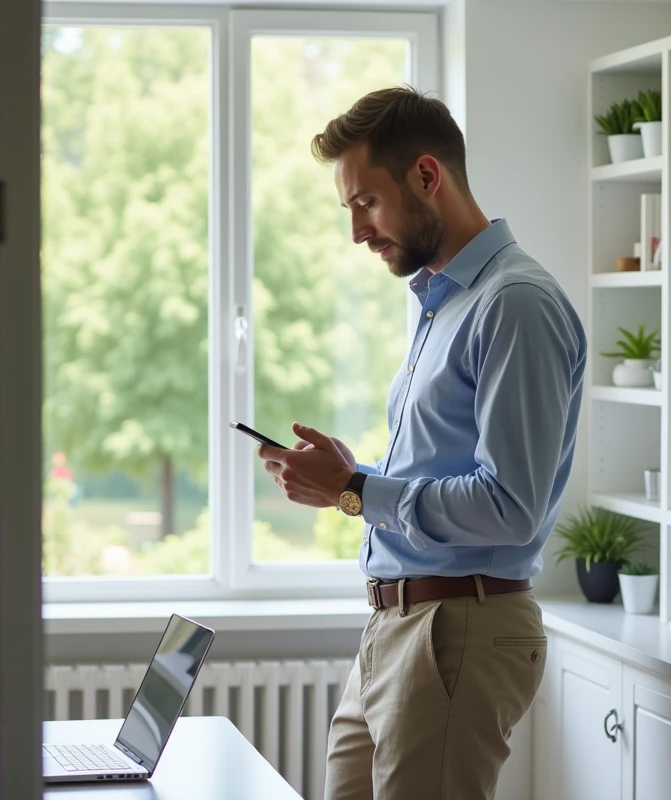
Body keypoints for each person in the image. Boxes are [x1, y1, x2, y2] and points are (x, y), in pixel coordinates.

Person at [256, 86, 587, 799]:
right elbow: (440, 478)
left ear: (427, 176)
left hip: (456, 629)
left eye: (365, 203)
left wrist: (355, 490)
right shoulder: (444, 303)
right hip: (398, 628)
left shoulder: (514, 304)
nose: (357, 232)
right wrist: (347, 481)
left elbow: (509, 507)